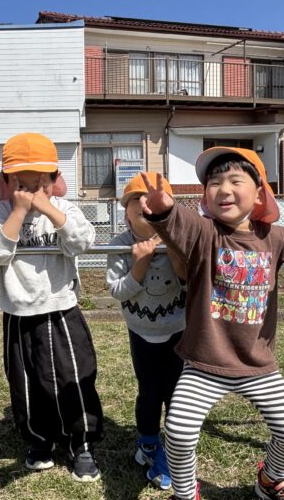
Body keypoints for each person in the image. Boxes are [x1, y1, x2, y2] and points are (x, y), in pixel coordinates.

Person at [140, 148, 284, 500]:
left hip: (257, 363)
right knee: (178, 433)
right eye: (214, 182)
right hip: (204, 361)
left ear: (259, 193)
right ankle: (184, 492)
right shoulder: (205, 233)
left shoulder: (274, 236)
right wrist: (164, 209)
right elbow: (179, 222)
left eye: (235, 181)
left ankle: (271, 479)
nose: (224, 189)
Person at [0, 132, 103, 482]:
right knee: (25, 381)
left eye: (40, 183)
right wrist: (18, 211)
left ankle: (81, 442)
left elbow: (82, 241)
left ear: (54, 180)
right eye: (22, 184)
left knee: (72, 377)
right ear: (7, 182)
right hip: (18, 312)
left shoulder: (64, 209)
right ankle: (39, 439)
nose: (32, 192)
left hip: (60, 308)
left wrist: (49, 208)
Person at [106, 172, 187, 491]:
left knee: (176, 394)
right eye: (135, 200)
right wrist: (139, 265)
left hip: (178, 330)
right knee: (149, 391)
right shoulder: (120, 245)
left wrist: (176, 257)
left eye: (153, 201)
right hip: (140, 331)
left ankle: (174, 449)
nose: (144, 203)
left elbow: (191, 286)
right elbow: (117, 290)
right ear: (126, 214)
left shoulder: (179, 239)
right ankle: (148, 442)